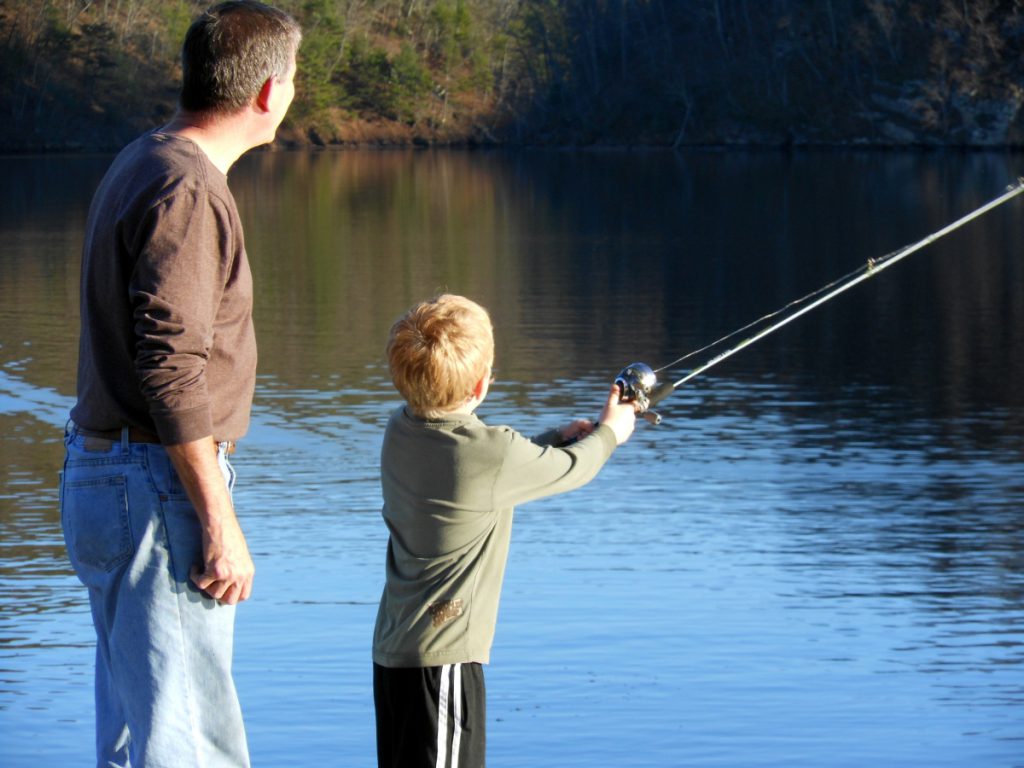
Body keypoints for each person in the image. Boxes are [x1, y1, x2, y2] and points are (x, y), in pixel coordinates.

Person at [59, 3, 301, 766]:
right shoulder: (189, 190)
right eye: (293, 78)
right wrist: (218, 519)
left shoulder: (144, 158)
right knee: (189, 744)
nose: (293, 92)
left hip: (107, 476)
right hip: (152, 487)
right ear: (267, 92)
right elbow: (171, 369)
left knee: (136, 738)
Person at [372, 294, 637, 767]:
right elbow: (576, 469)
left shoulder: (401, 428)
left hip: (394, 656)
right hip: (443, 660)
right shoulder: (491, 454)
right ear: (480, 385)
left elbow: (475, 474)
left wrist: (552, 439)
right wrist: (611, 430)